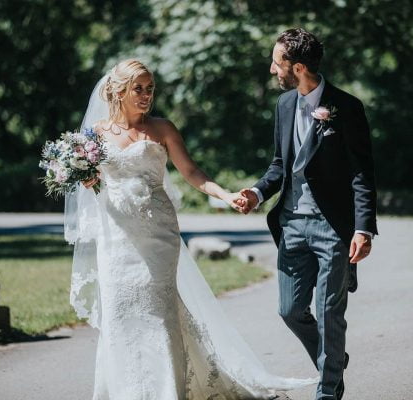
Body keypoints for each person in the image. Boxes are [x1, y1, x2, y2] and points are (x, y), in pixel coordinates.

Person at [64, 59, 316, 399]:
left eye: (150, 88)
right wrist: (86, 178)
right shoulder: (95, 134)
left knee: (159, 313)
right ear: (118, 91)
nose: (146, 95)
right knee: (121, 316)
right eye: (138, 88)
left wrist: (226, 195)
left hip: (158, 235)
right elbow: (85, 184)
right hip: (117, 239)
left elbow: (193, 173)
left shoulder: (162, 129)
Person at [238, 28, 378, 400]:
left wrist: (363, 229)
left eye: (276, 62)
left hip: (332, 227)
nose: (272, 69)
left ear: (297, 67)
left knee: (330, 311)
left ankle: (328, 390)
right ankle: (332, 357)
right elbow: (279, 165)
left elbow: (362, 174)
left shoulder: (346, 107)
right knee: (289, 309)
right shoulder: (284, 106)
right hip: (291, 225)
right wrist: (255, 192)